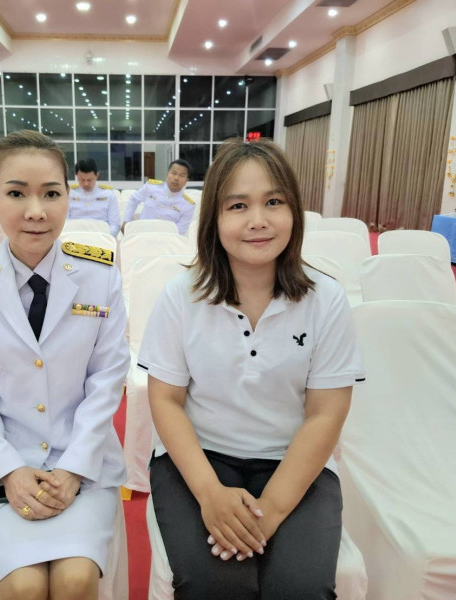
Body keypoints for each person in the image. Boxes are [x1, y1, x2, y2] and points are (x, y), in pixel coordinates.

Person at [137, 138, 365, 600]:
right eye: (238, 205)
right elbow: (165, 400)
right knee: (215, 585)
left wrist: (270, 513)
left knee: (300, 588)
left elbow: (326, 413)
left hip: (293, 459)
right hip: (198, 459)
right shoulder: (181, 296)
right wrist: (210, 495)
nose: (258, 220)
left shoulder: (326, 299)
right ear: (214, 218)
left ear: (294, 211)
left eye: (274, 202)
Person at [0, 130, 129, 600]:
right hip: (1, 461)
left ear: (69, 196)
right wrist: (9, 470)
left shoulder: (100, 275)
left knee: (75, 579)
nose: (36, 211)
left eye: (51, 194)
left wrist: (74, 467)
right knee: (23, 586)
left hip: (82, 460)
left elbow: (107, 380)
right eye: (16, 193)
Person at [123, 159, 195, 235]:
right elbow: (134, 199)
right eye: (174, 173)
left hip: (165, 239)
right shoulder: (151, 187)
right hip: (142, 234)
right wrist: (126, 221)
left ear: (186, 180)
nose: (176, 178)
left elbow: (179, 231)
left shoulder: (188, 205)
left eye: (182, 175)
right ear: (167, 174)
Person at [68, 158, 120, 236]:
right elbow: (65, 222)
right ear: (76, 176)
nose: (86, 184)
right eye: (82, 180)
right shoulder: (69, 194)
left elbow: (115, 225)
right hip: (75, 236)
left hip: (101, 236)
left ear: (97, 176)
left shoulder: (108, 194)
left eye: (89, 180)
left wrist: (107, 237)